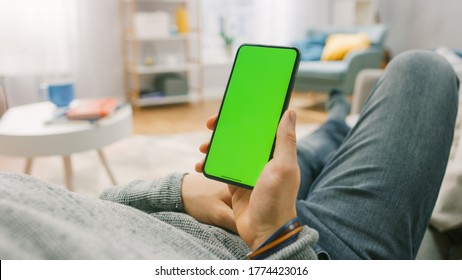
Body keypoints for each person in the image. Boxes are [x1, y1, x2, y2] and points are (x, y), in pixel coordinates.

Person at [0, 50, 459, 259]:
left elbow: (83, 211)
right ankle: (339, 118)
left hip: (218, 206)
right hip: (295, 253)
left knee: (299, 157)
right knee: (422, 70)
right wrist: (275, 238)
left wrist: (175, 191)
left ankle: (338, 118)